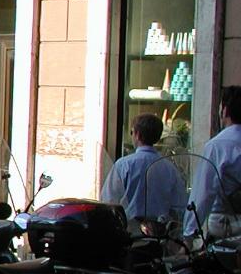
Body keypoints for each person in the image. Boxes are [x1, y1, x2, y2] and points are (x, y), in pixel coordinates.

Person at [100, 114, 187, 230]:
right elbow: (179, 205)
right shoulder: (170, 168)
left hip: (130, 233)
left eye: (132, 132)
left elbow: (108, 200)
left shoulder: (124, 165)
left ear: (137, 134)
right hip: (160, 234)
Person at [186, 86, 241, 238]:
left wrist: (190, 232)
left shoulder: (217, 145)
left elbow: (204, 191)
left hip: (225, 223)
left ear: (224, 110)